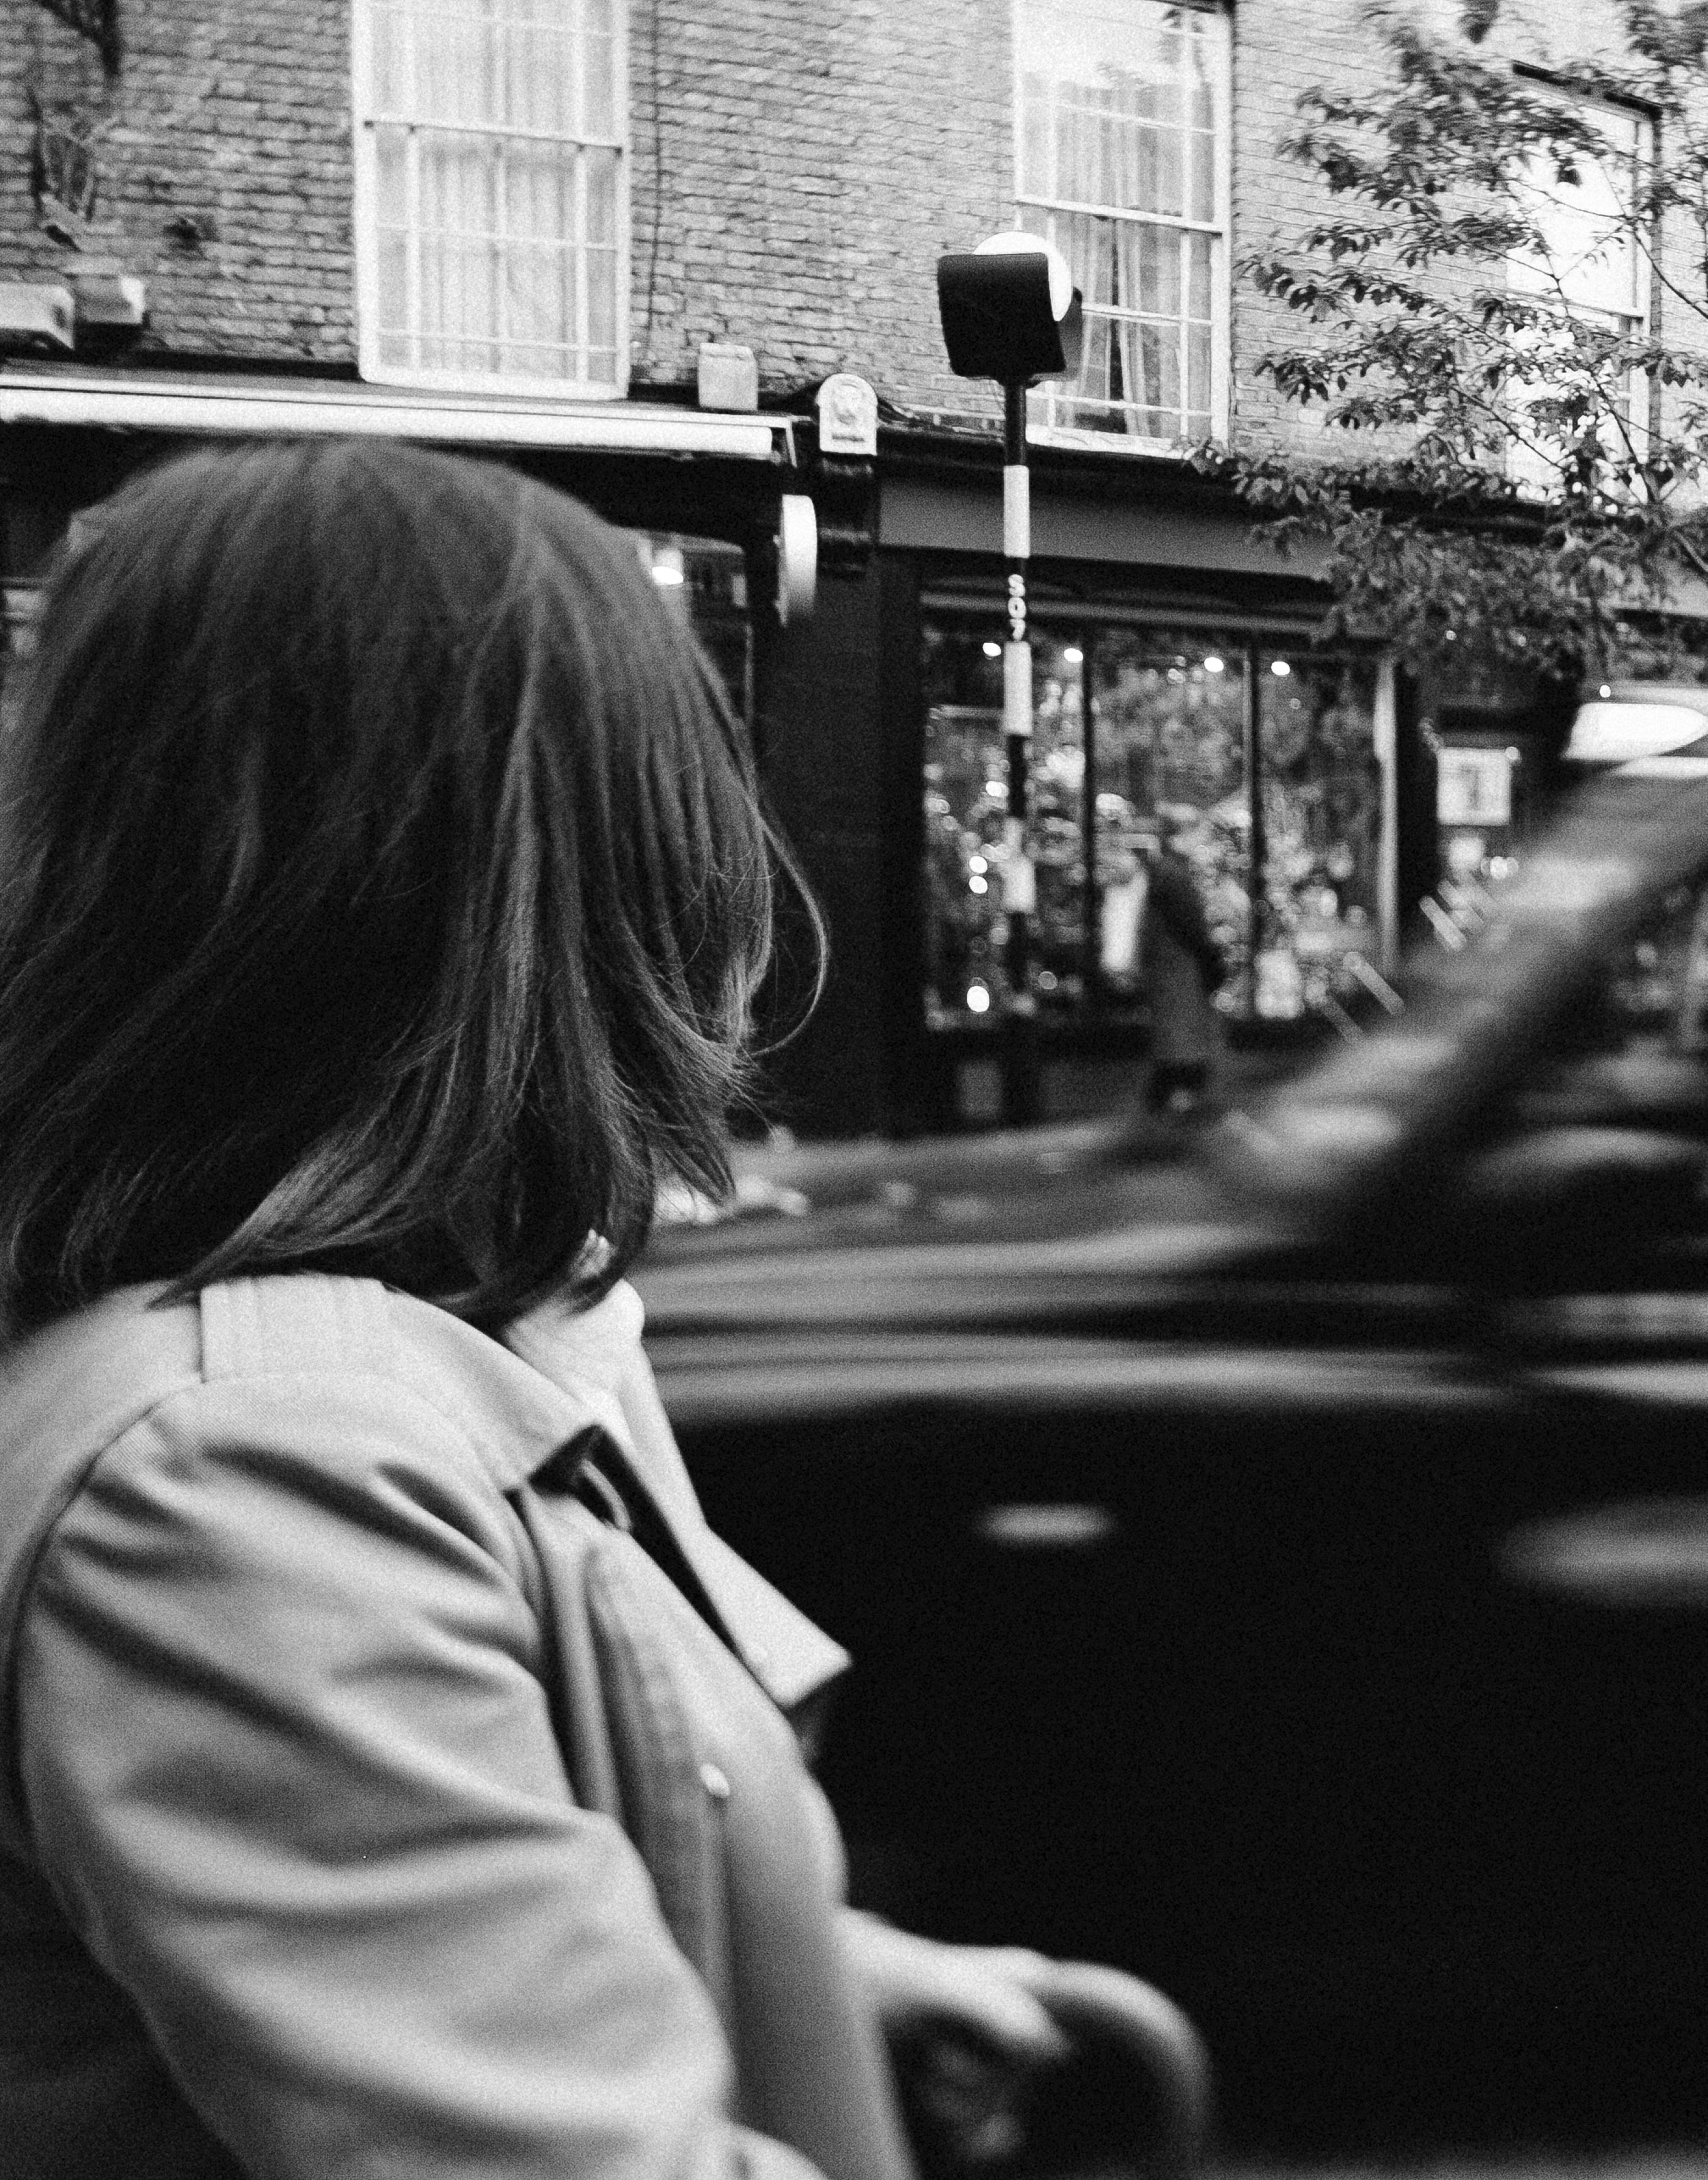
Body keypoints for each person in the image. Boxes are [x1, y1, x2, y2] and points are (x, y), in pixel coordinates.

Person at [0, 441, 1115, 2178]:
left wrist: (823, 1970)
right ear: (583, 873)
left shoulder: (412, 1349)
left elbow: (463, 1889)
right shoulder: (242, 1479)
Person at [1101, 819, 1229, 1115]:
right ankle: (1176, 1098)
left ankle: (1168, 1096)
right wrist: (1209, 957)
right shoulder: (1173, 876)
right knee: (1183, 1038)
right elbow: (1191, 925)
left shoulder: (1162, 874)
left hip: (1168, 968)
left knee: (1177, 1037)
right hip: (1177, 967)